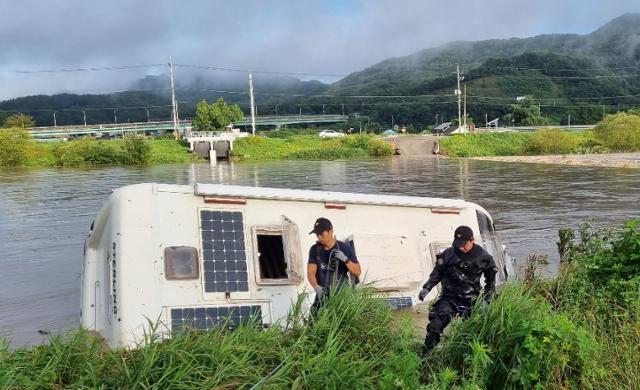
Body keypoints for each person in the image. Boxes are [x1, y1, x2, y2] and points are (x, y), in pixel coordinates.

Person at [418, 225, 497, 355]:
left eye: (464, 244)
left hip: (472, 300)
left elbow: (491, 284)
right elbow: (437, 272)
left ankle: (466, 360)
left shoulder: (484, 257)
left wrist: (486, 300)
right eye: (458, 244)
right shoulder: (449, 254)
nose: (460, 247)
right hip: (449, 298)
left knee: (473, 332)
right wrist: (427, 288)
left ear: (472, 240)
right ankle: (426, 357)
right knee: (434, 326)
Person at [307, 217, 361, 314]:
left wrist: (346, 260)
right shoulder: (315, 250)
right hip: (323, 293)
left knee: (343, 320)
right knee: (314, 317)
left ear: (331, 231)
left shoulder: (345, 248)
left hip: (341, 295)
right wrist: (316, 287)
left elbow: (357, 271)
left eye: (321, 233)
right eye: (317, 234)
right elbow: (311, 273)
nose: (319, 237)